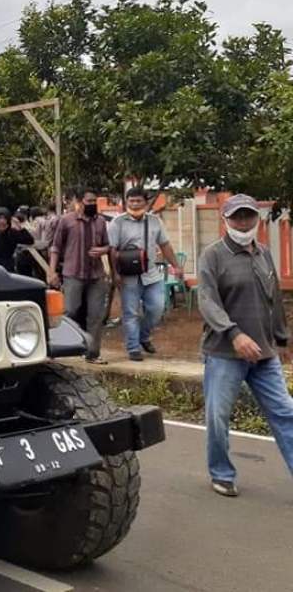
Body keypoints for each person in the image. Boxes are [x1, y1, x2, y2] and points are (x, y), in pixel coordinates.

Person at [198, 194, 292, 497]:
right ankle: (222, 474)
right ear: (225, 220)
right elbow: (207, 301)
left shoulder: (263, 254)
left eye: (248, 216)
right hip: (224, 352)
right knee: (218, 416)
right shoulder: (212, 255)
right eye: (237, 217)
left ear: (257, 219)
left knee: (285, 412)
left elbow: (274, 299)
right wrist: (234, 334)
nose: (243, 222)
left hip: (264, 354)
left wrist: (282, 338)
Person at [108, 186, 184, 360]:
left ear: (146, 202)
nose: (134, 204)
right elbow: (112, 250)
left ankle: (143, 336)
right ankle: (133, 348)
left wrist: (176, 266)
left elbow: (165, 245)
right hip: (128, 276)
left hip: (151, 274)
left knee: (157, 308)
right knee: (130, 313)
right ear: (126, 202)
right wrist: (115, 274)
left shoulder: (155, 221)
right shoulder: (117, 223)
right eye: (131, 201)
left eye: (138, 201)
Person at [48, 190, 111, 363]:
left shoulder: (100, 222)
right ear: (79, 201)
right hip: (73, 274)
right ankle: (61, 349)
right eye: (89, 200)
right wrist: (52, 271)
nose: (92, 204)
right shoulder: (67, 221)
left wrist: (103, 250)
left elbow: (108, 245)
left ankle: (92, 354)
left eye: (94, 200)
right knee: (70, 311)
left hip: (96, 275)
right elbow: (56, 247)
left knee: (96, 315)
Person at [0, 208, 35, 272]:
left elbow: (30, 240)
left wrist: (20, 227)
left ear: (8, 221)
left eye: (4, 218)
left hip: (7, 270)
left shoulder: (12, 233)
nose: (2, 221)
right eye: (0, 218)